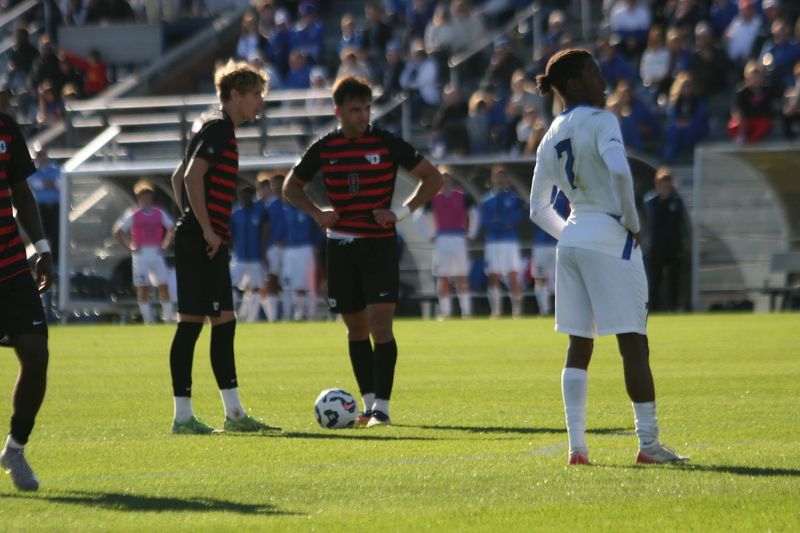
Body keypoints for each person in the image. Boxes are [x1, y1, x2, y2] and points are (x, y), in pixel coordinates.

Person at [529, 48, 689, 465]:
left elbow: (537, 209)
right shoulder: (603, 120)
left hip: (574, 239)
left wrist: (575, 235)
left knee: (578, 345)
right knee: (633, 342)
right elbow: (619, 171)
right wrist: (632, 223)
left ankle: (577, 448)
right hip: (608, 236)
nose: (604, 82)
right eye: (595, 75)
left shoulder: (550, 134)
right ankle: (649, 446)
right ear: (575, 84)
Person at [283, 76, 442, 427]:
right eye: (356, 109)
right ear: (338, 111)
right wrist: (316, 213)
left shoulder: (386, 142)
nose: (363, 115)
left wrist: (399, 212)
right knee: (356, 329)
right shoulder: (324, 147)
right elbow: (290, 186)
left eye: (367, 108)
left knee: (381, 325)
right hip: (339, 248)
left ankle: (382, 409)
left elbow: (433, 178)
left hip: (378, 246)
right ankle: (368, 406)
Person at [167, 60, 280, 435]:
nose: (260, 103)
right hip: (204, 241)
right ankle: (186, 417)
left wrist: (196, 224)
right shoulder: (219, 127)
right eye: (255, 95)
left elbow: (176, 175)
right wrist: (205, 229)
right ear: (235, 95)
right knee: (193, 325)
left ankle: (232, 415)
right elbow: (190, 175)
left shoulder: (211, 124)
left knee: (221, 322)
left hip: (202, 239)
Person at [0, 111, 54, 491]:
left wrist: (42, 248)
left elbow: (21, 192)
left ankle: (15, 449)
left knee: (36, 354)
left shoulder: (5, 127)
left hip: (12, 268)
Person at [413, 167, 479, 320]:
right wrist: (429, 236)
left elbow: (475, 213)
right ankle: (445, 312)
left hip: (458, 239)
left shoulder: (461, 196)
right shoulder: (434, 198)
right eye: (443, 177)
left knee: (461, 276)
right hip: (442, 240)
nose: (446, 181)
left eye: (447, 177)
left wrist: (471, 234)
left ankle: (466, 312)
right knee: (442, 277)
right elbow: (418, 217)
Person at [113, 180, 176, 324]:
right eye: (143, 196)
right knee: (143, 286)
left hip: (156, 251)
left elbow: (172, 227)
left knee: (163, 284)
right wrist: (129, 248)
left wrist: (166, 245)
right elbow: (117, 231)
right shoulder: (133, 213)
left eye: (148, 195)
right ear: (138, 198)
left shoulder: (159, 212)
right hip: (141, 253)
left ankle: (168, 317)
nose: (146, 198)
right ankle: (148, 319)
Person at [481, 165, 524, 319]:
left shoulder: (514, 198)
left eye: (502, 176)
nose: (499, 179)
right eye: (497, 176)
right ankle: (496, 311)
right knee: (493, 276)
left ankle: (516, 311)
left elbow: (517, 218)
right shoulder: (486, 200)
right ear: (493, 179)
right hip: (493, 242)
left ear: (506, 179)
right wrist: (503, 224)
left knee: (513, 275)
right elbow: (485, 221)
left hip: (510, 241)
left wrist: (501, 221)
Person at [644, 168, 686, 312]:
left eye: (668, 183)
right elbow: (655, 216)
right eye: (663, 183)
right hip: (656, 245)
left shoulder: (676, 201)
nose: (666, 186)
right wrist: (663, 200)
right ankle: (653, 308)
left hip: (673, 244)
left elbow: (678, 220)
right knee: (655, 278)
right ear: (657, 184)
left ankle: (672, 307)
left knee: (673, 278)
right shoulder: (651, 200)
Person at [277, 197, 322, 321]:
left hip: (305, 248)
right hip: (290, 249)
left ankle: (308, 315)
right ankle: (288, 315)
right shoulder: (286, 210)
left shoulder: (308, 211)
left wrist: (314, 244)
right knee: (287, 284)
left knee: (307, 284)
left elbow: (318, 230)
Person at [228, 184, 267, 323]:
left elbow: (265, 231)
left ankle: (253, 316)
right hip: (240, 256)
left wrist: (263, 253)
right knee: (233, 285)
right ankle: (231, 314)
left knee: (256, 287)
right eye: (243, 195)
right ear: (239, 196)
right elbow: (230, 232)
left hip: (256, 256)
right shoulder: (235, 213)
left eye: (249, 195)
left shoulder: (260, 212)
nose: (246, 198)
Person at [27, 149, 61, 266]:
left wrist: (46, 183)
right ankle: (42, 261)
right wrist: (51, 183)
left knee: (56, 235)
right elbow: (37, 184)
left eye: (43, 154)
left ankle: (56, 263)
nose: (42, 157)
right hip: (41, 207)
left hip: (55, 206)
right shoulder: (33, 171)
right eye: (39, 155)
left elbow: (60, 184)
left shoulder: (55, 169)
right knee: (42, 235)